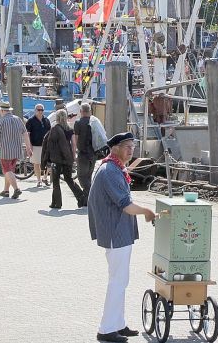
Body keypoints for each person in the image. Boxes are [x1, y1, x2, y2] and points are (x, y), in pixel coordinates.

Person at [88, 132, 156, 343]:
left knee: (121, 280)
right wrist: (147, 211)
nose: (131, 150)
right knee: (117, 281)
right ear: (115, 147)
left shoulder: (114, 167)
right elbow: (125, 205)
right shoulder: (110, 170)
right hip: (115, 233)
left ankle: (118, 323)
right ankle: (106, 329)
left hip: (118, 232)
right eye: (127, 146)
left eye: (133, 147)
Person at [0, 103, 30, 199]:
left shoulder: (2, 121)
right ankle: (6, 190)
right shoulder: (18, 119)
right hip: (17, 149)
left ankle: (16, 189)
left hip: (5, 149)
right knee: (10, 170)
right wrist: (28, 148)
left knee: (7, 170)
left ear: (2, 111)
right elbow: (25, 133)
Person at [43, 109, 81, 208]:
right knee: (69, 179)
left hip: (57, 158)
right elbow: (73, 145)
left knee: (55, 181)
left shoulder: (55, 128)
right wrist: (73, 157)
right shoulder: (70, 129)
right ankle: (81, 197)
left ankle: (57, 203)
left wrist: (47, 158)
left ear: (57, 118)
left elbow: (50, 145)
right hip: (67, 157)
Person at [74, 102, 107, 205]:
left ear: (81, 111)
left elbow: (76, 139)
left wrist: (74, 152)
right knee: (88, 176)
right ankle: (86, 201)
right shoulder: (95, 121)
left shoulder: (78, 122)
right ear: (90, 111)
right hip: (93, 153)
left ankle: (93, 196)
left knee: (81, 176)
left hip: (83, 153)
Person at [26, 104, 52, 187]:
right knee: (36, 163)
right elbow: (28, 134)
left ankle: (45, 177)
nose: (40, 111)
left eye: (42, 110)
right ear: (35, 110)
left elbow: (50, 132)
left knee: (48, 163)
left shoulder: (46, 120)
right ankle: (39, 180)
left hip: (46, 145)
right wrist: (29, 145)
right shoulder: (30, 121)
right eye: (38, 110)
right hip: (35, 145)